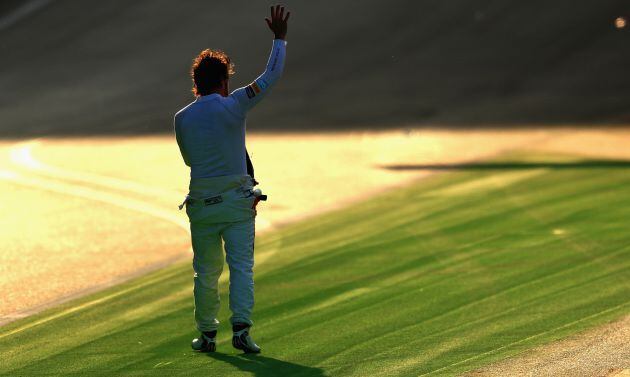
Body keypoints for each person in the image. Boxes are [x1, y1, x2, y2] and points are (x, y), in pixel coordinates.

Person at [173, 5, 289, 354]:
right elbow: (270, 75)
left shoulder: (181, 118)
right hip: (237, 203)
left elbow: (190, 160)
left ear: (196, 84)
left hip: (202, 206)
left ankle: (207, 335)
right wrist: (279, 39)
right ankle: (241, 331)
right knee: (241, 267)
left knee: (205, 273)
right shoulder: (235, 104)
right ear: (224, 82)